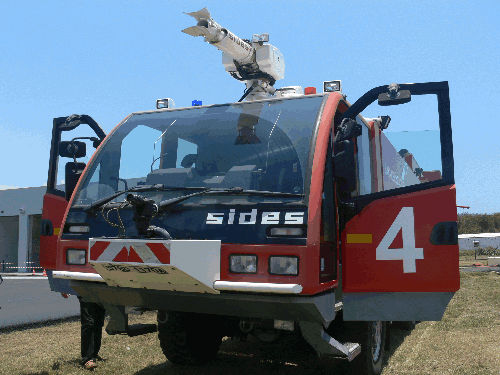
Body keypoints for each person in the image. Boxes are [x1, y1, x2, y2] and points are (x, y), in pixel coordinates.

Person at [77, 296, 106, 370]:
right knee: (88, 322)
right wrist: (66, 290)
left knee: (98, 322)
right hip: (83, 288)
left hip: (100, 288)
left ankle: (94, 354)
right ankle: (87, 359)